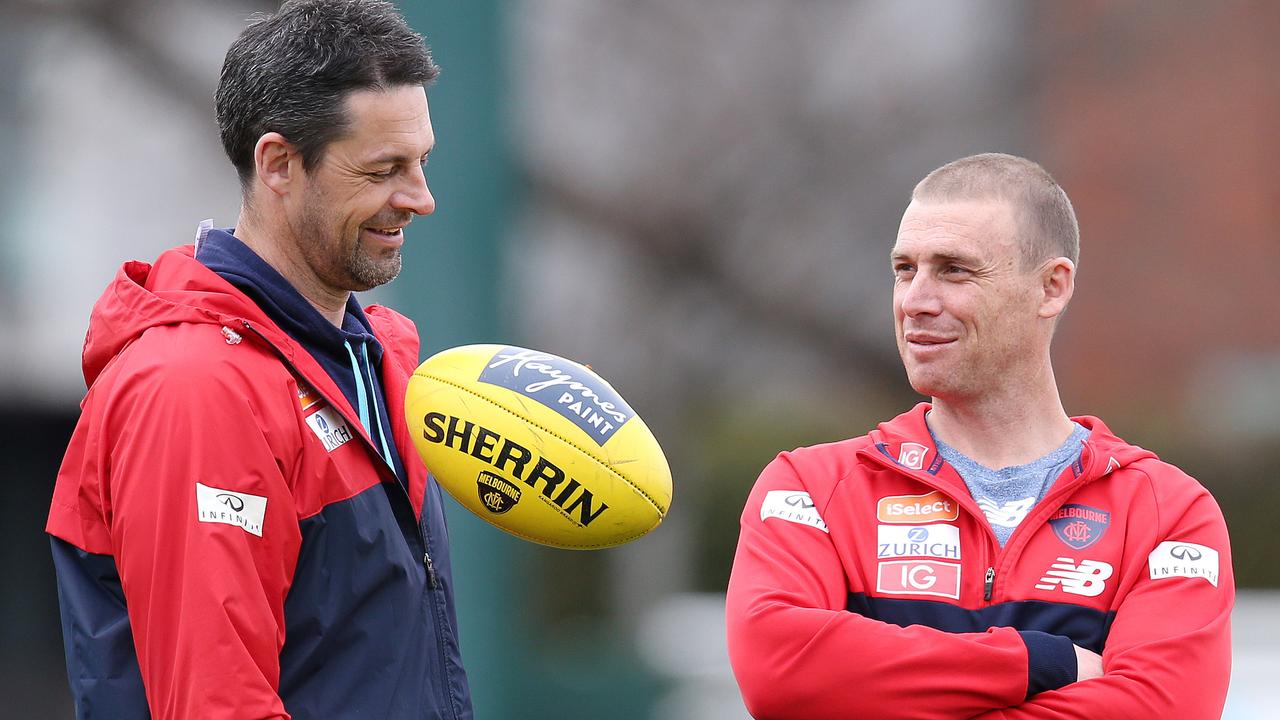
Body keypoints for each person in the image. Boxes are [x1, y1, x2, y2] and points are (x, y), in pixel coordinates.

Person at [45, 2, 472, 718]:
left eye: (422, 161)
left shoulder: (376, 358)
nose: (420, 198)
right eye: (383, 169)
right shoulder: (197, 389)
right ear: (278, 163)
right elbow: (216, 703)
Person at [725, 153, 1233, 719]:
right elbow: (780, 671)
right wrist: (1040, 661)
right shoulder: (812, 489)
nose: (915, 300)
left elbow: (1158, 711)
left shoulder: (1169, 513)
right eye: (904, 269)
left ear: (1051, 288)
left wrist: (876, 689)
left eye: (954, 270)